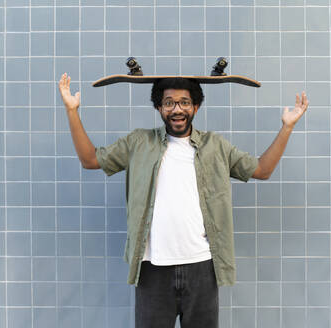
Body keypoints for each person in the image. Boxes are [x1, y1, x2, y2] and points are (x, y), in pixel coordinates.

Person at [58, 73, 308, 328]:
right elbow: (90, 160)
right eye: (169, 103)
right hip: (153, 268)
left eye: (185, 102)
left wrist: (287, 126)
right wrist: (72, 111)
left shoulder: (216, 146)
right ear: (159, 107)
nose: (177, 109)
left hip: (201, 267)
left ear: (195, 107)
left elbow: (262, 170)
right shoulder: (138, 142)